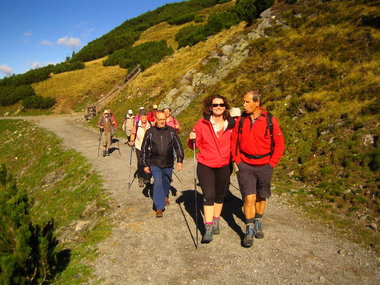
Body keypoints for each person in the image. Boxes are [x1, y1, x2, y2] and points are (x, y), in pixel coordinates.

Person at [231, 90, 285, 248]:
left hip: (265, 165)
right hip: (245, 165)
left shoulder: (270, 120)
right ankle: (249, 229)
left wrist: (272, 163)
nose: (244, 105)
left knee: (262, 196)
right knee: (249, 198)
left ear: (257, 103)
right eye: (244, 101)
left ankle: (258, 220)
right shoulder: (241, 120)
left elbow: (279, 143)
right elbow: (234, 140)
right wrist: (238, 160)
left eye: (247, 102)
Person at [188, 94, 235, 243]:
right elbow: (193, 145)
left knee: (219, 196)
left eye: (221, 104)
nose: (218, 107)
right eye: (215, 105)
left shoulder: (232, 124)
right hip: (206, 164)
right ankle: (207, 228)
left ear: (225, 107)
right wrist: (192, 138)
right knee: (208, 195)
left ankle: (216, 221)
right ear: (210, 107)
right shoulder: (202, 124)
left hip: (224, 165)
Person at [141, 111, 184, 217]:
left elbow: (178, 146)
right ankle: (159, 207)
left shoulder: (171, 131)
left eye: (164, 119)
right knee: (158, 182)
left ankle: (165, 195)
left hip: (168, 162)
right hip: (154, 162)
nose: (162, 121)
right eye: (160, 119)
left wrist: (179, 160)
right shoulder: (150, 132)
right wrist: (145, 164)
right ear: (155, 119)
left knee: (166, 180)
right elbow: (144, 149)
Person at [129, 109, 152, 187]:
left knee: (148, 162)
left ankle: (147, 178)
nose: (144, 118)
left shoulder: (150, 124)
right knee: (140, 162)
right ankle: (141, 177)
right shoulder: (136, 124)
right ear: (140, 117)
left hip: (148, 147)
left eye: (145, 116)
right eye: (143, 116)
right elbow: (133, 133)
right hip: (139, 146)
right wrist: (132, 140)